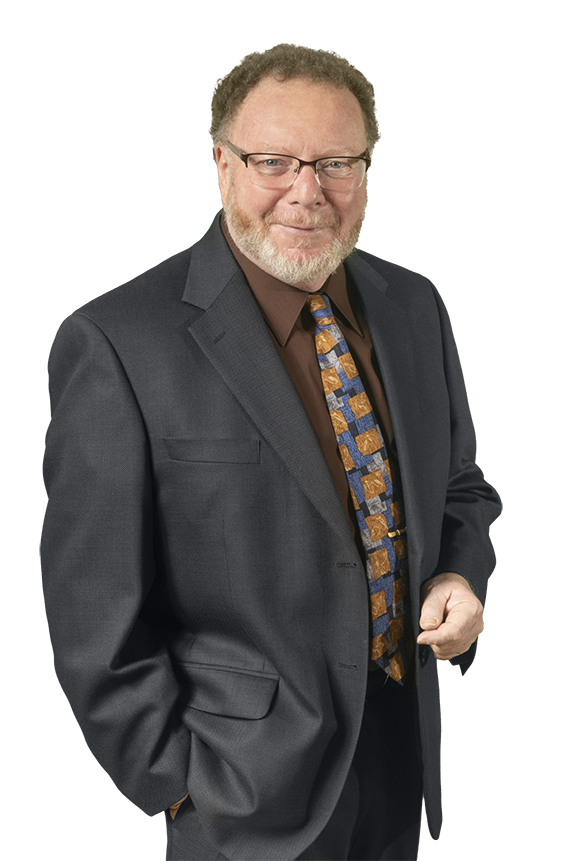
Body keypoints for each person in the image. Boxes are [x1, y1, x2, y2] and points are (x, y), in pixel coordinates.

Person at [41, 44, 501, 861]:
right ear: (222, 166)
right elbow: (91, 606)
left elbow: (460, 483)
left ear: (366, 171)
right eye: (274, 161)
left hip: (401, 761)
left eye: (336, 163)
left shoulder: (414, 307)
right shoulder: (118, 342)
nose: (308, 190)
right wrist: (176, 780)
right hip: (241, 792)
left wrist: (462, 577)